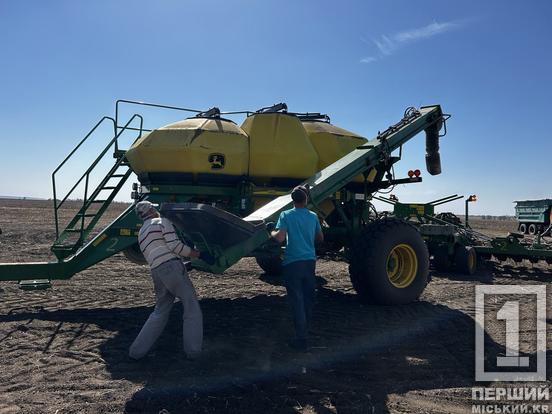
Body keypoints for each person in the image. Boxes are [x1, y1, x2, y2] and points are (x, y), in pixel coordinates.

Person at [129, 200, 209, 360]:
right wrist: (199, 254)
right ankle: (193, 352)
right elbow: (175, 246)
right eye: (154, 208)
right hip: (171, 268)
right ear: (151, 210)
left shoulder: (142, 232)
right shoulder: (161, 222)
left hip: (156, 272)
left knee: (160, 311)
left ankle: (136, 352)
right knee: (191, 306)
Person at [271, 186, 324, 351]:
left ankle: (301, 339)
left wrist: (270, 231)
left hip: (292, 263)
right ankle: (305, 331)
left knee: (297, 300)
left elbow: (279, 238)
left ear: (292, 200)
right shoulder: (313, 216)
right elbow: (320, 238)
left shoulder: (286, 215)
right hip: (309, 262)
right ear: (306, 199)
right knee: (308, 298)